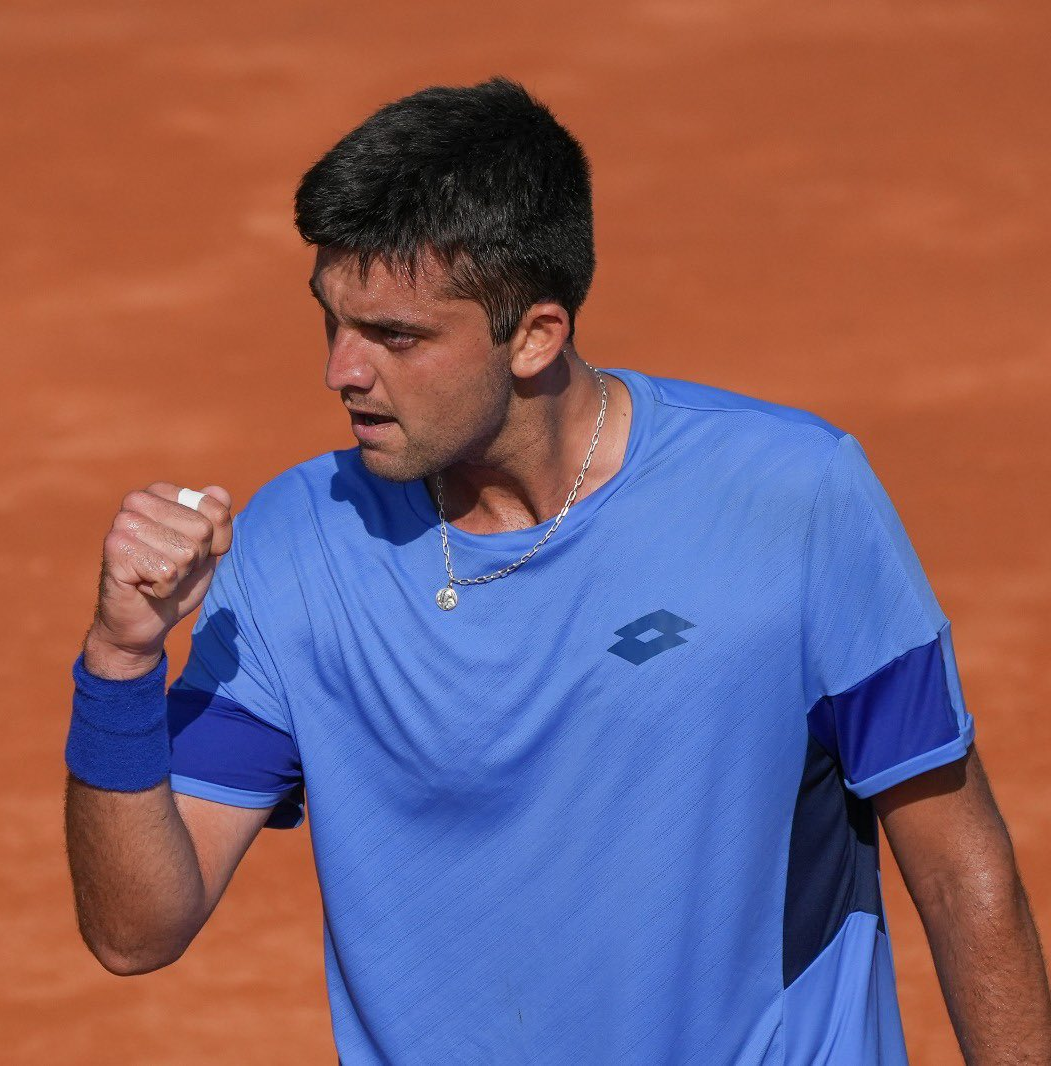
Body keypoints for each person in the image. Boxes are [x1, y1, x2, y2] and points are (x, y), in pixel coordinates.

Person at [61, 76, 1051, 1063]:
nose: (342, 372)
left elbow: (964, 871)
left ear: (535, 334)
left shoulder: (790, 500)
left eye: (396, 336)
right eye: (334, 321)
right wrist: (119, 658)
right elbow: (135, 931)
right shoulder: (296, 546)